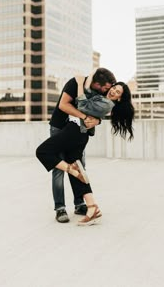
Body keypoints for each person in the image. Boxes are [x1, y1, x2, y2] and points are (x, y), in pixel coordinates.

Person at [36, 76, 135, 226]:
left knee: (43, 152)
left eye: (117, 91)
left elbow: (83, 105)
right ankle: (91, 206)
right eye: (113, 88)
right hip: (69, 129)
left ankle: (72, 173)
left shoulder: (105, 102)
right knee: (79, 172)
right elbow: (72, 106)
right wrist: (96, 119)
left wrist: (81, 84)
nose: (112, 90)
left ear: (120, 98)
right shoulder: (99, 95)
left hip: (74, 132)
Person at [48, 68, 116, 223]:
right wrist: (84, 116)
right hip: (59, 128)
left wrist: (97, 120)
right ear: (97, 84)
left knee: (79, 166)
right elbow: (63, 105)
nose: (107, 91)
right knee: (59, 168)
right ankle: (60, 208)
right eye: (105, 88)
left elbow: (100, 110)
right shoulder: (75, 83)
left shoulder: (99, 92)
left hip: (78, 131)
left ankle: (79, 204)